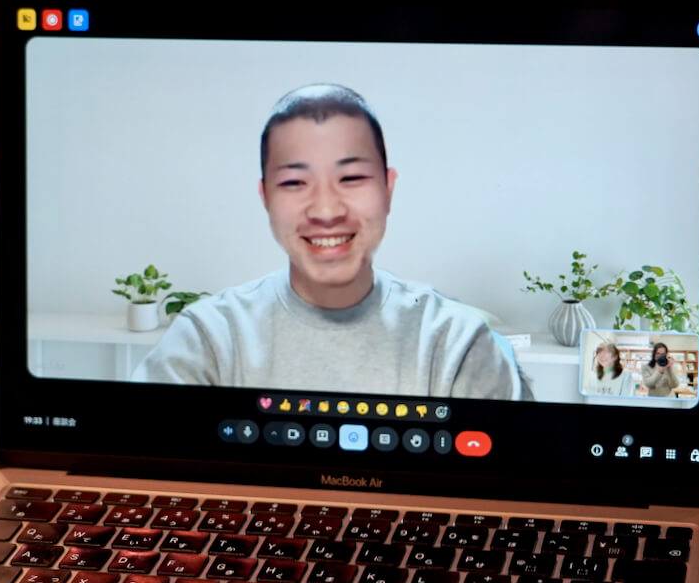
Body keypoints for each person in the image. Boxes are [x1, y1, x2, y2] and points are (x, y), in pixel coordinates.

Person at [133, 84, 524, 399]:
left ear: (387, 189)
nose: (325, 210)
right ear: (265, 197)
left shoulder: (456, 344)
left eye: (351, 178)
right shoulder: (209, 338)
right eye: (294, 182)